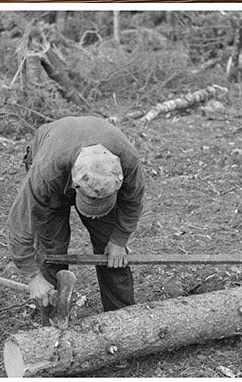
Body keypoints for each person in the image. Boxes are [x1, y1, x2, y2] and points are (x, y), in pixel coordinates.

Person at [8, 115, 145, 313]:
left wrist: (119, 240)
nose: (95, 209)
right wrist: (32, 276)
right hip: (55, 161)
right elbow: (20, 222)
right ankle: (54, 318)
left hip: (82, 160)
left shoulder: (128, 161)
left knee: (112, 252)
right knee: (52, 250)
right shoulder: (46, 171)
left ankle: (121, 316)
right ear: (74, 184)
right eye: (91, 202)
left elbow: (133, 201)